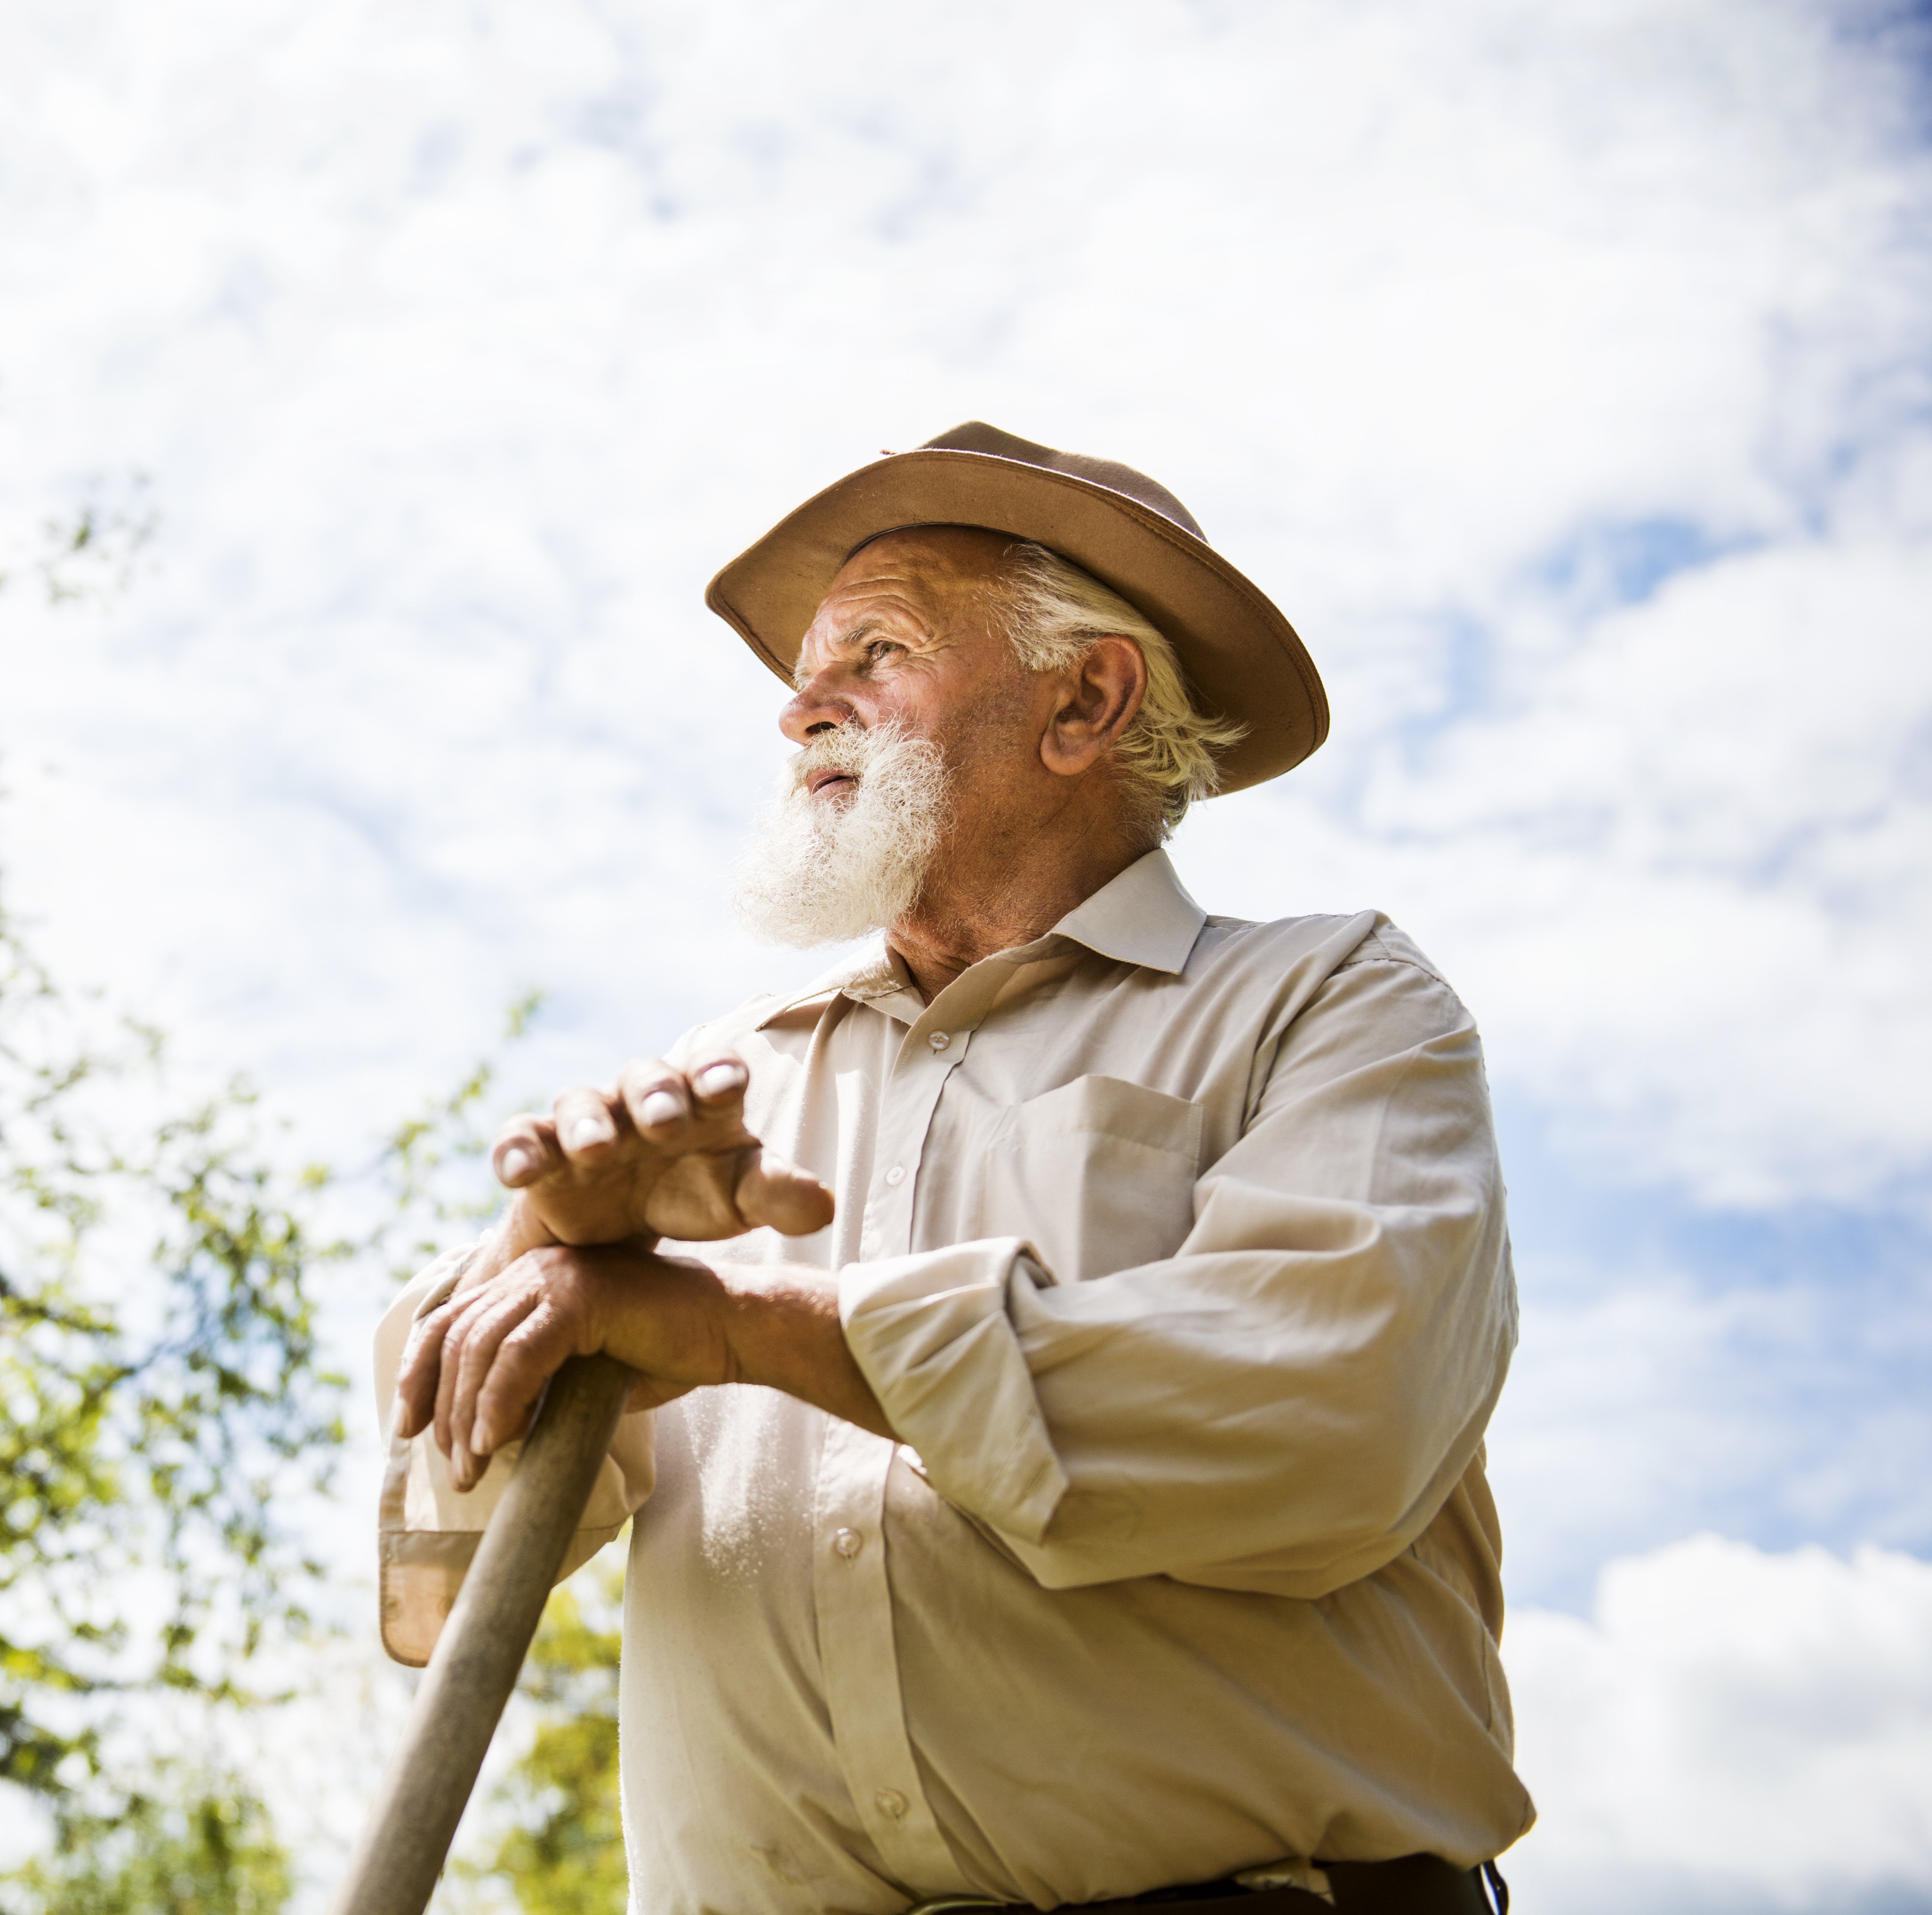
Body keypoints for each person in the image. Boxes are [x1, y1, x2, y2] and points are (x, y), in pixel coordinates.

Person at [375, 424, 1529, 1915]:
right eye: (806, 665)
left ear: (1084, 702)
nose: (803, 708)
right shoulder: (709, 1093)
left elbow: (1327, 1415)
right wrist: (547, 1249)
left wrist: (741, 1329)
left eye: (878, 648)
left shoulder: (1331, 1004)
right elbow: (441, 1579)